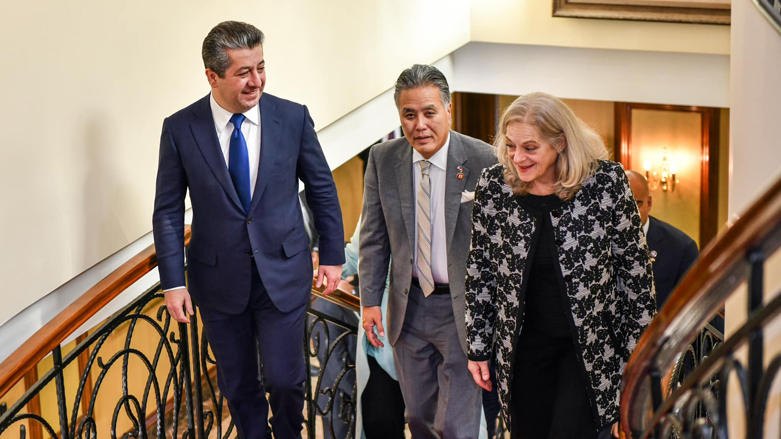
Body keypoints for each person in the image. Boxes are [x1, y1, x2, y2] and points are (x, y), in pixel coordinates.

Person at [152, 21, 344, 439]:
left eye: (261, 67)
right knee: (237, 386)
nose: (256, 80)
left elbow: (321, 188)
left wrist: (332, 254)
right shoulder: (180, 129)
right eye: (244, 72)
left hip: (284, 271)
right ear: (212, 76)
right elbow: (167, 211)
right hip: (218, 280)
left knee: (286, 381)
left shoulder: (292, 117)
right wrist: (172, 283)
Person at [464, 92, 657, 439]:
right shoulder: (495, 187)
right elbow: (481, 271)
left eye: (530, 148)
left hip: (587, 350)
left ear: (561, 142)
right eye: (510, 146)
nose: (517, 158)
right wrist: (478, 346)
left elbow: (636, 277)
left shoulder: (606, 184)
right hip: (522, 351)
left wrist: (639, 359)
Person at [359, 64, 497, 439]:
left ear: (448, 109)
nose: (419, 124)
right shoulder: (383, 159)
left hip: (462, 312)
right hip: (409, 308)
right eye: (409, 114)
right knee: (418, 418)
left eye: (429, 112)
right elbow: (373, 237)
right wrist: (370, 301)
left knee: (455, 425)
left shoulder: (485, 160)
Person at [625, 170, 699, 310]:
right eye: (622, 205)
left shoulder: (682, 248)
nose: (629, 213)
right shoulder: (600, 244)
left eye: (636, 204)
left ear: (649, 203)